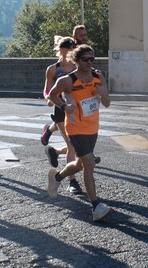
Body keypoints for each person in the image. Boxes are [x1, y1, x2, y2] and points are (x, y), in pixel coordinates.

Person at [47, 44, 114, 221]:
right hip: (75, 128)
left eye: (92, 59)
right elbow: (52, 95)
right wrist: (63, 106)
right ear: (76, 60)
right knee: (89, 163)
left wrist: (103, 93)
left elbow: (107, 103)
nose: (89, 62)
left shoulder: (98, 77)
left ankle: (58, 177)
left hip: (92, 126)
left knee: (81, 163)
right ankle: (96, 206)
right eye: (85, 59)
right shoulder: (68, 80)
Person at [41, 36, 84, 194]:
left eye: (72, 50)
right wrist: (48, 98)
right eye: (67, 50)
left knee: (78, 145)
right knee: (72, 145)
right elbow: (47, 89)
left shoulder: (78, 67)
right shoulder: (53, 69)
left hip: (78, 109)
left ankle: (55, 151)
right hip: (61, 109)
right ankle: (72, 181)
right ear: (60, 50)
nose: (70, 53)